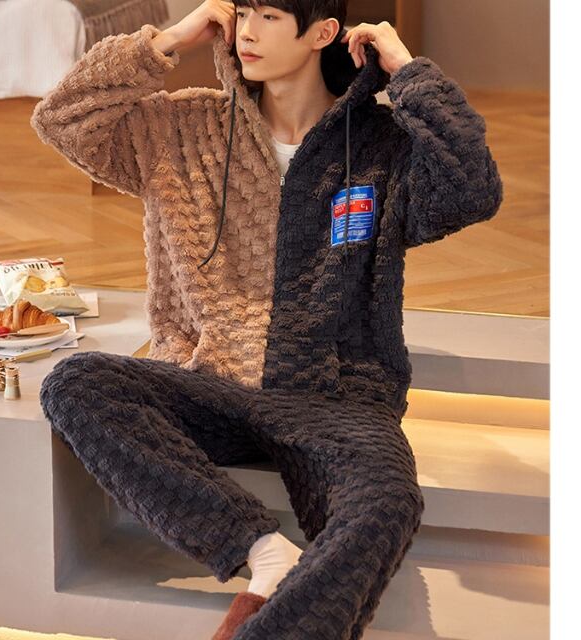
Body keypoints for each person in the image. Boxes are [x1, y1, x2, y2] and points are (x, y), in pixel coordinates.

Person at [31, 1, 503, 639]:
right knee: (75, 382)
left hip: (337, 399)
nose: (247, 31)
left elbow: (472, 191)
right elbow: (61, 117)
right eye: (243, 10)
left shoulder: (382, 146)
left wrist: (407, 70)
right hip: (211, 384)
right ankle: (262, 549)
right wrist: (168, 39)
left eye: (270, 16)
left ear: (323, 33)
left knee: (388, 502)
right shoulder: (182, 128)